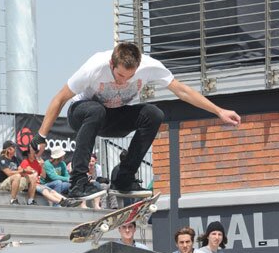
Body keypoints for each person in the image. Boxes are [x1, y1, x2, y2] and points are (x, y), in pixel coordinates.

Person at [30, 41, 241, 200]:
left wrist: (218, 110)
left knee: (153, 113)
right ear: (112, 64)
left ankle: (124, 177)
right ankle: (78, 182)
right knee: (96, 110)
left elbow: (182, 91)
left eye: (129, 77)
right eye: (120, 75)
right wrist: (41, 136)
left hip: (113, 118)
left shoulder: (149, 66)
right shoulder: (95, 65)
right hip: (82, 113)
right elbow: (60, 98)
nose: (124, 81)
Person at [0, 140, 36, 205]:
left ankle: (30, 200)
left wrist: (28, 171)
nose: (15, 149)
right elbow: (9, 173)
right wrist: (23, 171)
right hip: (2, 184)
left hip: (14, 183)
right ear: (9, 149)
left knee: (33, 177)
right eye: (14, 147)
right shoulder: (1, 158)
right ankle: (13, 199)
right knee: (17, 176)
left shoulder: (15, 158)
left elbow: (21, 170)